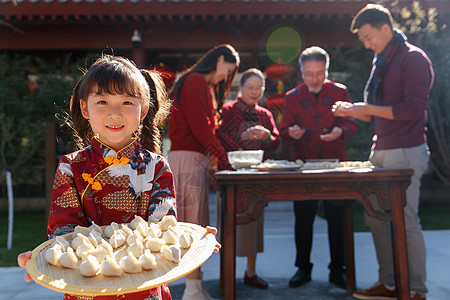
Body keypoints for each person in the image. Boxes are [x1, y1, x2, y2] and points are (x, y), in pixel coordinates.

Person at [17, 55, 220, 300]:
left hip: (145, 287)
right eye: (102, 101)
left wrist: (192, 240)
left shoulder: (156, 166)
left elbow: (162, 231)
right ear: (85, 109)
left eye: (126, 102)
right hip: (87, 288)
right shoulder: (71, 166)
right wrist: (44, 258)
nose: (114, 113)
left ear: (143, 110)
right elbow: (64, 232)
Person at [333, 4, 434, 300]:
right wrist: (350, 111)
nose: (366, 44)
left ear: (385, 30)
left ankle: (416, 289)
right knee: (376, 218)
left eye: (368, 37)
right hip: (381, 150)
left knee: (406, 220)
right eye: (362, 39)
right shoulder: (381, 61)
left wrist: (368, 109)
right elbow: (370, 113)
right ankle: (389, 284)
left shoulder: (413, 58)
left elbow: (413, 109)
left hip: (407, 150)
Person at [280, 46, 358, 289]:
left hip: (335, 162)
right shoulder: (292, 96)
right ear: (301, 72)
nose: (314, 78)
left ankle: (338, 269)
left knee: (338, 217)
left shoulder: (340, 91)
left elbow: (352, 123)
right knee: (303, 219)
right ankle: (302, 268)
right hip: (303, 164)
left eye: (320, 73)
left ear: (327, 70)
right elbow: (284, 130)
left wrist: (340, 131)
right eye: (309, 73)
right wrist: (291, 133)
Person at [168, 44, 240, 300]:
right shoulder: (196, 80)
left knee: (193, 223)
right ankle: (192, 290)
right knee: (192, 226)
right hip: (187, 159)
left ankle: (194, 287)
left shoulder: (198, 83)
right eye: (227, 71)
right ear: (220, 59)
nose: (225, 77)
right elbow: (201, 128)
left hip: (189, 159)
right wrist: (223, 156)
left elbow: (204, 128)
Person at [216, 68, 280, 289]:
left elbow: (276, 141)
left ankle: (251, 272)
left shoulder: (265, 114)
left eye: (259, 88)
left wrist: (267, 136)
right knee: (229, 224)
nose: (255, 92)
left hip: (256, 177)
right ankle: (227, 272)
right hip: (231, 177)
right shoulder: (227, 110)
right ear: (240, 88)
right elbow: (219, 138)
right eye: (251, 87)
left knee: (254, 222)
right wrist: (241, 137)